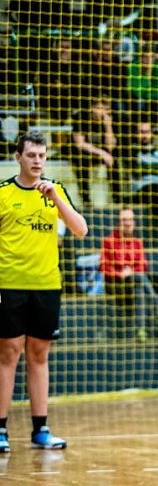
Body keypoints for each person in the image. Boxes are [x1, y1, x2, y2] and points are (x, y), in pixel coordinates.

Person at [0, 131, 88, 454]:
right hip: (9, 285)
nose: (37, 161)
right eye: (31, 155)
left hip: (47, 285)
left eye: (42, 155)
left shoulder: (56, 190)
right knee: (9, 353)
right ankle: (1, 430)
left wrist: (56, 199)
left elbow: (81, 230)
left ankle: (41, 429)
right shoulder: (3, 193)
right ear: (18, 157)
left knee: (39, 355)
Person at [99, 208, 158, 342]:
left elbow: (143, 265)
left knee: (139, 285)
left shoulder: (137, 242)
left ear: (134, 222)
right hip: (115, 284)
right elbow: (103, 266)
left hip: (134, 281)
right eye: (124, 220)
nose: (128, 223)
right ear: (118, 222)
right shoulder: (109, 241)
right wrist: (119, 273)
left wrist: (131, 272)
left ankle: (141, 331)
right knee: (139, 278)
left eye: (130, 220)